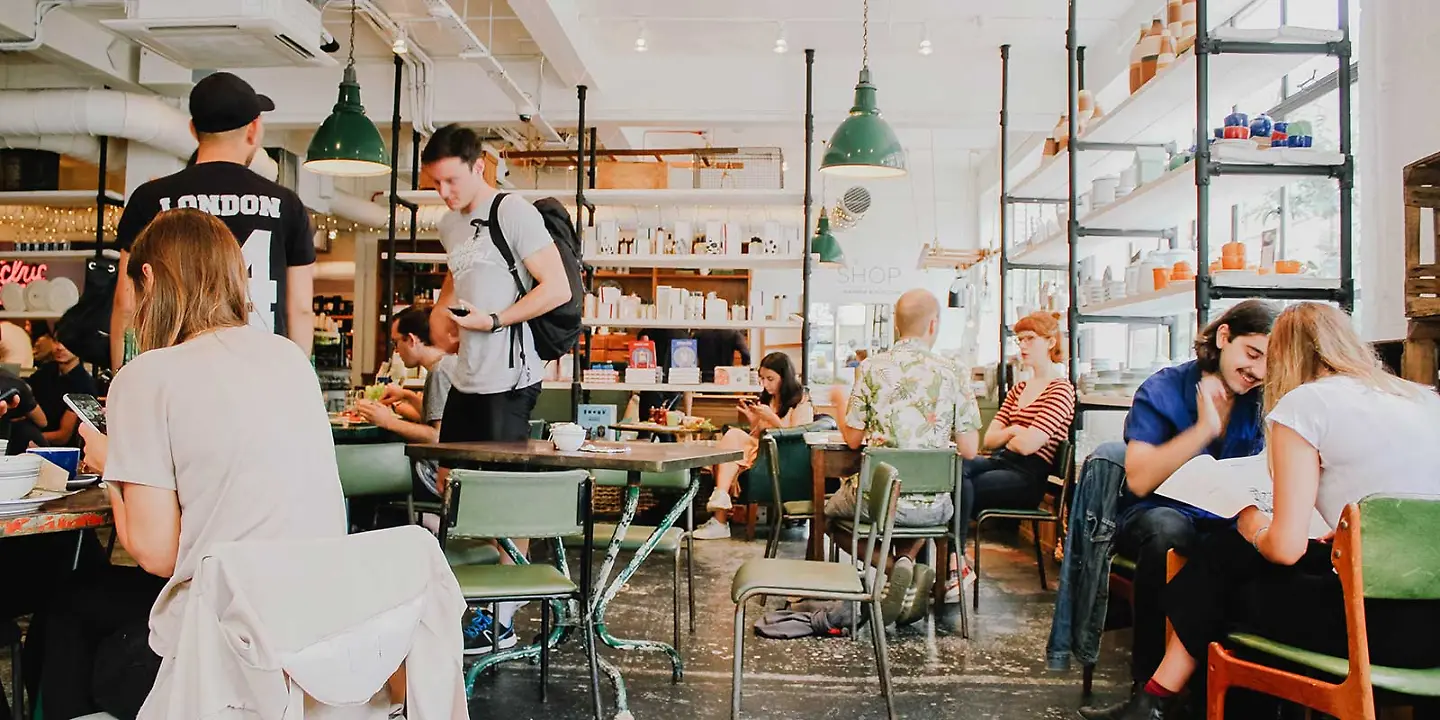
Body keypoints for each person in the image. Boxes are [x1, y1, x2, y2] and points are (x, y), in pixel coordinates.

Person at [36, 209, 345, 719]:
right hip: (311, 638)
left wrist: (115, 465)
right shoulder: (289, 358)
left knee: (67, 614)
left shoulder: (147, 375)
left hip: (222, 657)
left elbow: (156, 555)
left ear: (150, 277)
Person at [1088, 302, 1440, 720]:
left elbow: (1285, 549)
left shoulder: (1305, 406)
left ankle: (1161, 699)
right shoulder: (1422, 398)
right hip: (1431, 629)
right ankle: (1157, 699)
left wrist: (1252, 523)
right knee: (1226, 557)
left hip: (1370, 630)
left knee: (1226, 565)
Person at [1079, 299, 1277, 717]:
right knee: (1171, 532)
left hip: (1232, 520)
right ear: (1224, 338)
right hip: (1156, 515)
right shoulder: (1164, 388)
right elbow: (1139, 479)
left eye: (1268, 363)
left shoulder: (1265, 399)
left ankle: (1228, 691)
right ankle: (1148, 695)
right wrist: (1205, 429)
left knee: (1260, 545)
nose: (1257, 371)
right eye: (1252, 354)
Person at [420, 124, 572, 654]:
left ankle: (502, 619)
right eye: (436, 183)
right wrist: (445, 314)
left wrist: (496, 320)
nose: (445, 193)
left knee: (504, 502)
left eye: (452, 181)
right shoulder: (448, 225)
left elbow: (557, 288)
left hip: (510, 377)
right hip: (466, 376)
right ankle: (461, 605)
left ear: (479, 165)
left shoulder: (514, 213)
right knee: (452, 490)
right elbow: (459, 274)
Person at [110, 71, 316, 371]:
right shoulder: (286, 205)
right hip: (262, 372)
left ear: (193, 129)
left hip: (177, 373)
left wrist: (122, 380)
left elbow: (126, 302)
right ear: (253, 130)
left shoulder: (151, 199)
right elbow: (300, 308)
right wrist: (297, 382)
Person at [827, 289, 982, 621]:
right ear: (933, 324)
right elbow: (970, 449)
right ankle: (906, 564)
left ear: (896, 326)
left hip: (878, 501)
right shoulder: (954, 371)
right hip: (936, 506)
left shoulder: (871, 368)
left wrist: (840, 404)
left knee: (827, 514)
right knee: (916, 508)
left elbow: (853, 440)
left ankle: (890, 566)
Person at [959, 311, 1075, 598]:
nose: (1022, 346)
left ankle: (953, 560)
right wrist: (1014, 431)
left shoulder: (1061, 390)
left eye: (1030, 339)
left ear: (1050, 342)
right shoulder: (1019, 389)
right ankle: (953, 560)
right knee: (953, 468)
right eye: (1019, 339)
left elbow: (1029, 446)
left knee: (962, 484)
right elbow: (991, 437)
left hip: (1028, 476)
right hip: (1001, 462)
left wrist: (1011, 434)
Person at [695, 352, 814, 540]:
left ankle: (720, 516)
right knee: (730, 443)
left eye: (770, 379)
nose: (765, 384)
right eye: (762, 379)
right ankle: (720, 509)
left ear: (785, 377)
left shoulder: (801, 401)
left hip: (782, 457)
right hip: (761, 451)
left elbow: (799, 435)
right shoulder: (770, 399)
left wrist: (771, 418)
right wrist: (753, 419)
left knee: (731, 444)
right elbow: (759, 434)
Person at [354, 306, 456, 501]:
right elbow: (445, 418)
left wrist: (387, 421)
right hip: (450, 472)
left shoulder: (439, 372)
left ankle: (424, 521)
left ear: (411, 339)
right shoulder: (449, 362)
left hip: (435, 476)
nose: (396, 351)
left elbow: (438, 437)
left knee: (364, 471)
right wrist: (408, 395)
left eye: (396, 342)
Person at [28, 326, 99, 447]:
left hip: (65, 451)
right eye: (56, 341)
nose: (60, 347)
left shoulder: (83, 384)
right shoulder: (45, 372)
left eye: (67, 343)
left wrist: (30, 438)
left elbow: (63, 436)